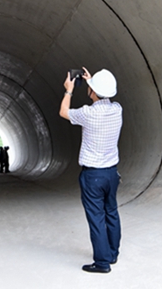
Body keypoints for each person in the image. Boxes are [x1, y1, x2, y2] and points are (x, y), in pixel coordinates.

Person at [60, 67, 122, 274]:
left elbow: (63, 112)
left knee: (96, 217)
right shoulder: (117, 110)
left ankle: (102, 262)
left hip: (93, 175)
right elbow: (103, 95)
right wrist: (92, 82)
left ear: (93, 92)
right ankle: (112, 253)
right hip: (111, 173)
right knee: (111, 212)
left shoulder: (88, 113)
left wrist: (69, 90)